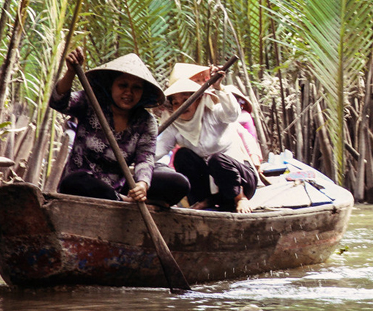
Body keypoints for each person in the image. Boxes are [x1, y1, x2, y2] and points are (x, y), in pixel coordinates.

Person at [51, 48, 189, 206]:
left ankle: (125, 198)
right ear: (111, 86)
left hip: (120, 186)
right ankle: (121, 201)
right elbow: (58, 102)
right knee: (75, 181)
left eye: (136, 88)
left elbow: (145, 157)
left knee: (179, 183)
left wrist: (142, 185)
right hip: (85, 185)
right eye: (123, 85)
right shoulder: (91, 102)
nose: (128, 92)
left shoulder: (145, 121)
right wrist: (70, 72)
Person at [157, 67, 258, 213]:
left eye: (186, 100)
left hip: (240, 180)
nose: (181, 106)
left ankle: (240, 198)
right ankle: (203, 199)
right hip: (210, 187)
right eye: (176, 102)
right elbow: (159, 150)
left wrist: (219, 87)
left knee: (216, 159)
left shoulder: (214, 112)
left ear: (198, 99)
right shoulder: (175, 125)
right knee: (182, 155)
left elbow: (232, 114)